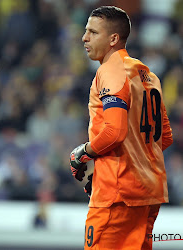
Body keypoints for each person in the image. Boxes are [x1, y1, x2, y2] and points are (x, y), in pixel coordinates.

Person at [69, 6, 173, 250]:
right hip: (149, 193)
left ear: (113, 39)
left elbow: (114, 132)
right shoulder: (148, 75)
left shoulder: (110, 71)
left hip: (117, 196)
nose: (84, 38)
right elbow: (164, 138)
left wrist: (83, 152)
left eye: (93, 32)